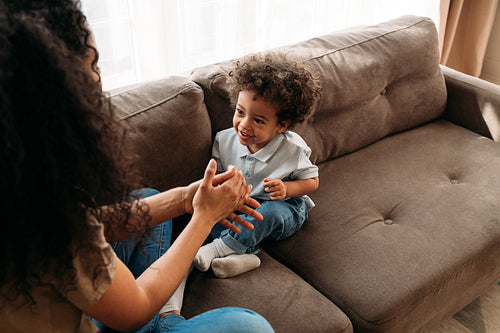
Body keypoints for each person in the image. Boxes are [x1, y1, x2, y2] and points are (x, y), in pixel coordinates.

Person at [0, 1, 275, 332]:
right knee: (249, 327)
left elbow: (90, 224)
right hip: (117, 314)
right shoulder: (47, 217)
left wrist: (184, 200)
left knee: (144, 202)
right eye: (93, 67)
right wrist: (204, 217)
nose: (99, 83)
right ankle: (165, 322)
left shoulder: (19, 178)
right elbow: (133, 310)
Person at [193, 52, 321, 278]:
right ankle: (246, 255)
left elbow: (313, 181)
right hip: (243, 208)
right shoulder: (224, 140)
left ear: (281, 125)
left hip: (284, 210)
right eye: (240, 112)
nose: (244, 124)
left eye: (258, 120)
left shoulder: (293, 149)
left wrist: (287, 190)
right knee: (211, 215)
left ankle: (220, 248)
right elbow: (220, 176)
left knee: (269, 211)